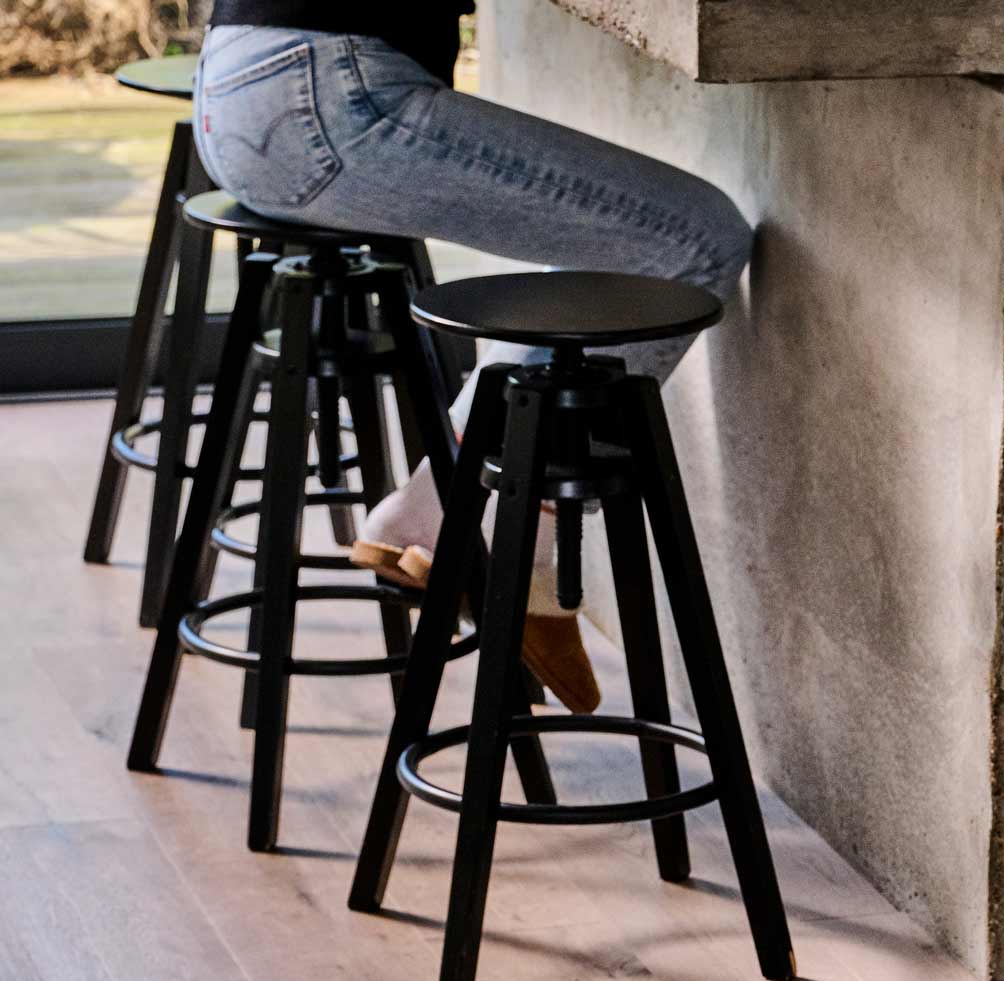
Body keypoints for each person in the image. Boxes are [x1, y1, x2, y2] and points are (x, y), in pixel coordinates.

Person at [191, 4, 755, 711]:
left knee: (618, 242)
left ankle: (431, 511)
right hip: (328, 93)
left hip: (239, 89)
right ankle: (524, 556)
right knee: (694, 239)